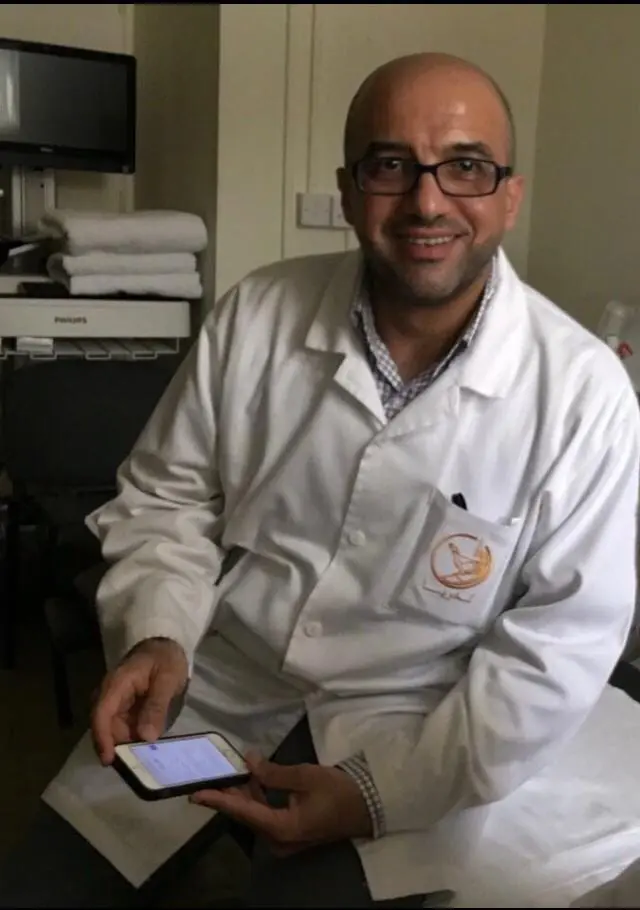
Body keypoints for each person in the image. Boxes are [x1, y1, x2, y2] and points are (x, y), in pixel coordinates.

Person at [1, 50, 638, 909]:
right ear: (347, 190)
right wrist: (157, 631)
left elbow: (559, 644)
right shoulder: (256, 315)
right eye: (390, 165)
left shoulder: (584, 394)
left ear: (510, 195)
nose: (427, 201)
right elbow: (168, 497)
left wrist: (377, 793)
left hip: (413, 723)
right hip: (220, 680)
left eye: (466, 166)